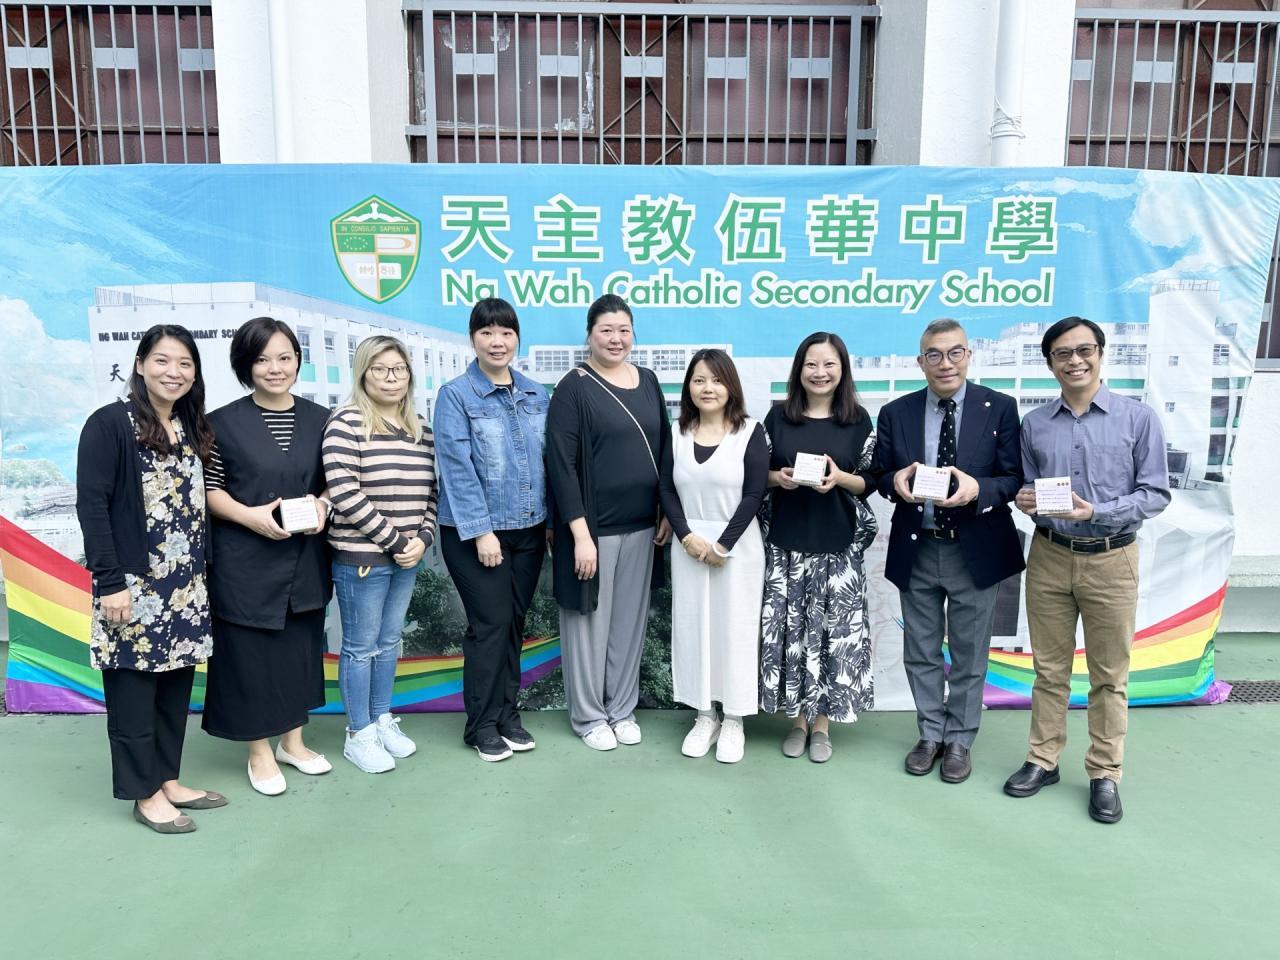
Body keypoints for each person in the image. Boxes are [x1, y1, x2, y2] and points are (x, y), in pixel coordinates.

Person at [1004, 316, 1170, 824]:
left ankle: (1104, 772)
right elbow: (1028, 488)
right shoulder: (1034, 424)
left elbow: (1155, 494)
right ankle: (1043, 758)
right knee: (1049, 670)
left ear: (1100, 353)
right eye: (1062, 353)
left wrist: (1095, 511)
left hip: (1112, 558)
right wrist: (1026, 499)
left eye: (1084, 350)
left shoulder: (1138, 419)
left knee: (1109, 676)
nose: (1074, 361)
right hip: (1050, 556)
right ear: (1050, 363)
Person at [75, 325, 225, 833]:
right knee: (134, 693)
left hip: (184, 586)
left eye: (185, 363)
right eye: (162, 360)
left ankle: (167, 779)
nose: (173, 372)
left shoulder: (190, 425)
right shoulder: (109, 424)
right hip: (132, 585)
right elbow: (93, 506)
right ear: (140, 365)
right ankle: (144, 794)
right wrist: (109, 582)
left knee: (173, 689)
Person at [872, 318, 1025, 784]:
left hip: (974, 550)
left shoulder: (1000, 408)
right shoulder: (896, 412)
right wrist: (894, 482)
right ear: (920, 362)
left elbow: (1014, 478)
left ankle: (959, 739)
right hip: (918, 547)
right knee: (920, 650)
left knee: (969, 653)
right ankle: (930, 734)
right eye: (934, 355)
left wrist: (979, 489)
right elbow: (879, 474)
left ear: (969, 355)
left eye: (955, 352)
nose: (945, 363)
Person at [202, 317, 334, 796]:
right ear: (245, 365)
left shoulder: (323, 419)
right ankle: (259, 752)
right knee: (250, 659)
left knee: (299, 652)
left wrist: (323, 505)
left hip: (305, 558)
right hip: (245, 560)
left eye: (284, 357)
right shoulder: (219, 423)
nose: (275, 368)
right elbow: (209, 489)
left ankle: (292, 743)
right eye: (262, 359)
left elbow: (335, 479)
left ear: (298, 360)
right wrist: (249, 517)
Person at [545, 294, 672, 751]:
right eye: (606, 330)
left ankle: (621, 709)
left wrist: (666, 512)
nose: (616, 339)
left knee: (627, 627)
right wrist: (581, 536)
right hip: (591, 532)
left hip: (643, 529)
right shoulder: (573, 388)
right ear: (590, 335)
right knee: (587, 626)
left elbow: (665, 451)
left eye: (624, 330)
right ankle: (589, 717)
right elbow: (561, 466)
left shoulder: (649, 381)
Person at [434, 298, 549, 762]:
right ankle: (480, 725)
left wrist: (552, 522)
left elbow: (548, 462)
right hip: (475, 533)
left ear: (517, 337)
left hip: (530, 528)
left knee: (514, 625)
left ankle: (507, 715)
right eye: (487, 332)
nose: (497, 341)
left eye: (505, 332)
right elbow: (456, 468)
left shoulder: (536, 393)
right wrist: (482, 532)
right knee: (490, 625)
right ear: (473, 339)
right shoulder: (456, 395)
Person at [759, 332, 878, 763]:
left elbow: (871, 480)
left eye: (829, 364)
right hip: (786, 548)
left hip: (838, 549)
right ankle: (796, 721)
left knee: (832, 638)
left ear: (842, 369)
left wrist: (839, 479)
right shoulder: (777, 417)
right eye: (812, 364)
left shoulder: (857, 420)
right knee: (791, 637)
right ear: (799, 369)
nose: (820, 372)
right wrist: (779, 478)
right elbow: (756, 474)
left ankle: (823, 725)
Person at [323, 336, 437, 774]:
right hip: (362, 558)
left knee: (389, 642)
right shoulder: (346, 422)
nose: (392, 378)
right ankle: (359, 733)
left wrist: (422, 539)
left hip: (406, 556)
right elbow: (344, 492)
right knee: (360, 648)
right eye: (380, 369)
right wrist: (396, 541)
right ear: (363, 374)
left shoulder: (420, 427)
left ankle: (381, 717)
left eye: (399, 369)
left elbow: (432, 494)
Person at [658, 350, 767, 763]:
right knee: (694, 628)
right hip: (689, 547)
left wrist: (723, 545)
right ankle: (705, 715)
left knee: (734, 630)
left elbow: (755, 493)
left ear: (730, 386)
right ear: (688, 386)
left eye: (717, 380)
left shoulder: (750, 432)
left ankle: (734, 718)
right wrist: (685, 536)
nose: (708, 388)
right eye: (699, 380)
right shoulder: (676, 432)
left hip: (737, 548)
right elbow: (666, 489)